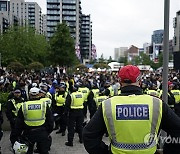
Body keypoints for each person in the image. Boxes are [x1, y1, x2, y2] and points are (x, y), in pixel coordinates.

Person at [83, 65, 180, 154]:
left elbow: (89, 135)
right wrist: (169, 150)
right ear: (140, 81)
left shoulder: (108, 104)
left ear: (120, 82)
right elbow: (177, 130)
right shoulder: (156, 103)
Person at [11, 87, 54, 154]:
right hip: (42, 131)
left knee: (28, 151)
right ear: (39, 95)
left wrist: (17, 135)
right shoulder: (44, 105)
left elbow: (19, 123)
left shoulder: (24, 105)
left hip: (28, 133)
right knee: (44, 151)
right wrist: (48, 131)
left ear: (29, 95)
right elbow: (50, 120)